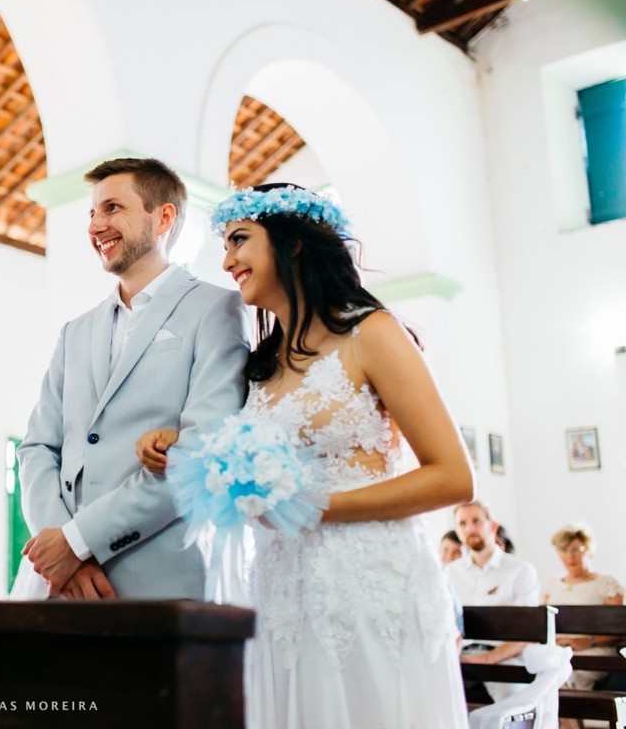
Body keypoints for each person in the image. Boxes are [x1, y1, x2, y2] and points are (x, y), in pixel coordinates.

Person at [137, 183, 473, 727]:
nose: (227, 261)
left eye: (239, 240)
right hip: (281, 592)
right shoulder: (261, 366)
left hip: (367, 586)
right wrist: (180, 449)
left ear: (293, 243)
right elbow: (247, 463)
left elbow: (453, 477)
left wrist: (314, 507)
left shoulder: (372, 333)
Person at [16, 157, 249, 600]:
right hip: (60, 584)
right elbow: (37, 448)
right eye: (92, 213)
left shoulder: (215, 310)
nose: (95, 225)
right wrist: (59, 545)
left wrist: (79, 541)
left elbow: (201, 450)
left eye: (113, 208)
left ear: (163, 218)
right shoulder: (75, 332)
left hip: (159, 578)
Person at [446, 500, 540, 702]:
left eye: (476, 521)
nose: (470, 529)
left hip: (505, 657)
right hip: (461, 655)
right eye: (462, 524)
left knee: (512, 694)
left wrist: (490, 657)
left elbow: (528, 631)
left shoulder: (520, 571)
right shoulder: (450, 573)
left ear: (492, 526)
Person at [542, 524, 624, 697]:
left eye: (576, 549)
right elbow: (541, 625)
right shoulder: (552, 586)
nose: (570, 556)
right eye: (563, 550)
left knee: (561, 675)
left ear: (589, 550)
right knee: (539, 667)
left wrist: (588, 641)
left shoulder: (606, 584)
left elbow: (619, 630)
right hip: (557, 650)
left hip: (593, 650)